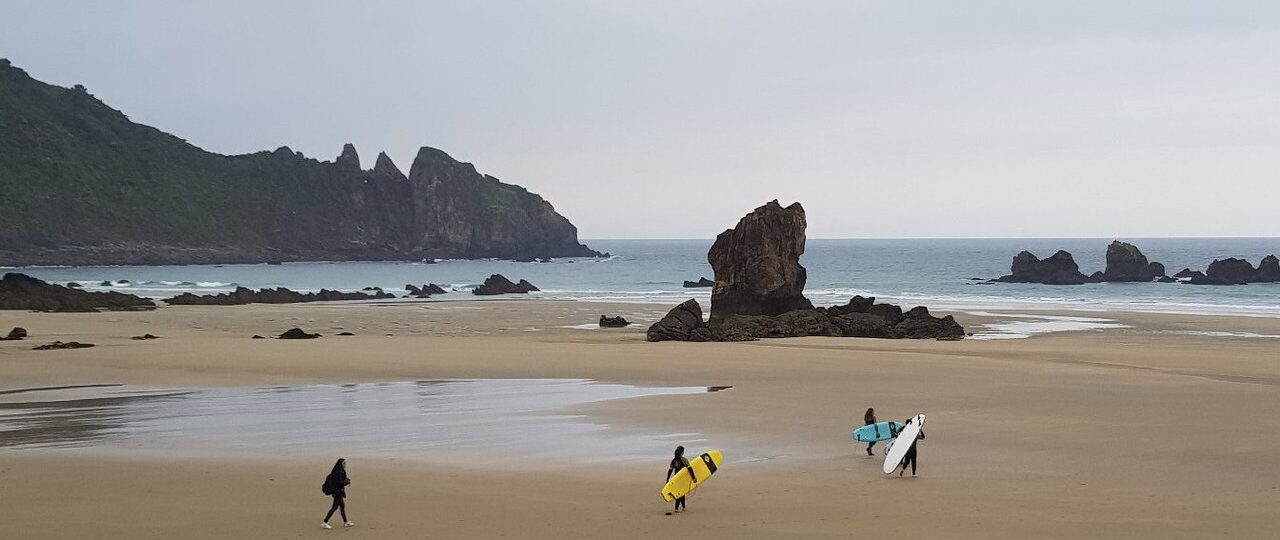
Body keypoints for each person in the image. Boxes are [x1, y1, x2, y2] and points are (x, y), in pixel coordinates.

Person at [321, 458, 354, 529]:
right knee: (335, 507)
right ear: (340, 464)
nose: (345, 464)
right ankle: (325, 522)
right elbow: (339, 483)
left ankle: (346, 522)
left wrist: (346, 480)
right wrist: (347, 482)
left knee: (342, 506)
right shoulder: (337, 472)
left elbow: (341, 480)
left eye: (345, 463)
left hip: (338, 491)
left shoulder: (339, 471)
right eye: (344, 463)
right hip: (336, 492)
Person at [666, 446, 697, 514]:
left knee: (681, 492)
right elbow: (690, 469)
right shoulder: (684, 460)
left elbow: (670, 470)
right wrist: (693, 477)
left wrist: (667, 479)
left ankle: (682, 506)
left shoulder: (673, 461)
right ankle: (677, 508)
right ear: (682, 452)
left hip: (676, 479)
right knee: (682, 492)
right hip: (683, 479)